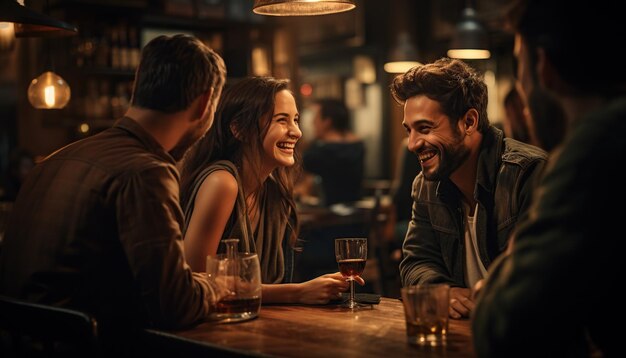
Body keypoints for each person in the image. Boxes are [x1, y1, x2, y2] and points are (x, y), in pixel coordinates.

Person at [0, 34, 227, 352]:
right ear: (205, 104)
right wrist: (217, 285)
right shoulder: (146, 172)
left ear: (138, 85)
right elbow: (175, 306)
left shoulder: (53, 161)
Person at [472, 1, 626, 356]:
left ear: (543, 66)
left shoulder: (596, 147)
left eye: (518, 63)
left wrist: (498, 281)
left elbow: (504, 329)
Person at [180, 77, 362, 305]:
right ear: (239, 129)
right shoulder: (222, 183)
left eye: (295, 120)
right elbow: (195, 281)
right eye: (281, 120)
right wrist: (298, 292)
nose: (296, 132)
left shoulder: (273, 191)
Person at [391, 58, 547, 319]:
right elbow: (416, 262)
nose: (412, 144)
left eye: (425, 128)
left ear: (469, 122)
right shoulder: (426, 185)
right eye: (410, 131)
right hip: (464, 334)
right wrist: (444, 291)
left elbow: (539, 280)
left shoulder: (527, 174)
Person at [299, 98, 365, 206]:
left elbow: (299, 166)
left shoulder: (320, 152)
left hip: (330, 217)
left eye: (316, 118)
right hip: (357, 214)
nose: (312, 122)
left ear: (327, 122)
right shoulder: (358, 146)